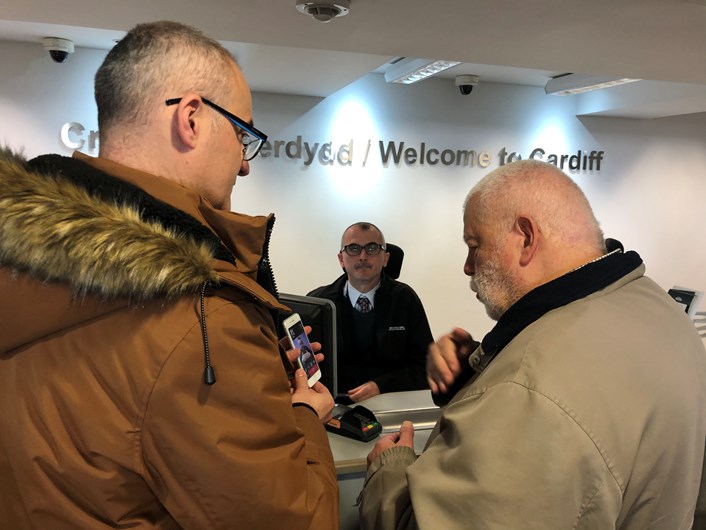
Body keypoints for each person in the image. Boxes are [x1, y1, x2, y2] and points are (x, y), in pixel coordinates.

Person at [0, 21, 338, 529]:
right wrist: (305, 415)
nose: (245, 166)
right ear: (193, 118)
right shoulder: (202, 320)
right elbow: (298, 520)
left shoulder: (20, 266)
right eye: (243, 134)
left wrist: (257, 375)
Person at [359, 160, 706, 529]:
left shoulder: (527, 393)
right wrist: (477, 380)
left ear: (526, 237)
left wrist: (390, 467)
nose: (467, 266)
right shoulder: (663, 313)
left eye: (475, 245)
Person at [308, 222, 433, 403]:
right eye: (353, 248)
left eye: (372, 248)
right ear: (341, 259)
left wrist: (382, 386)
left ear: (386, 259)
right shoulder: (319, 303)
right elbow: (305, 365)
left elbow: (426, 366)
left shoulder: (405, 300)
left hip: (391, 404)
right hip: (333, 407)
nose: (363, 256)